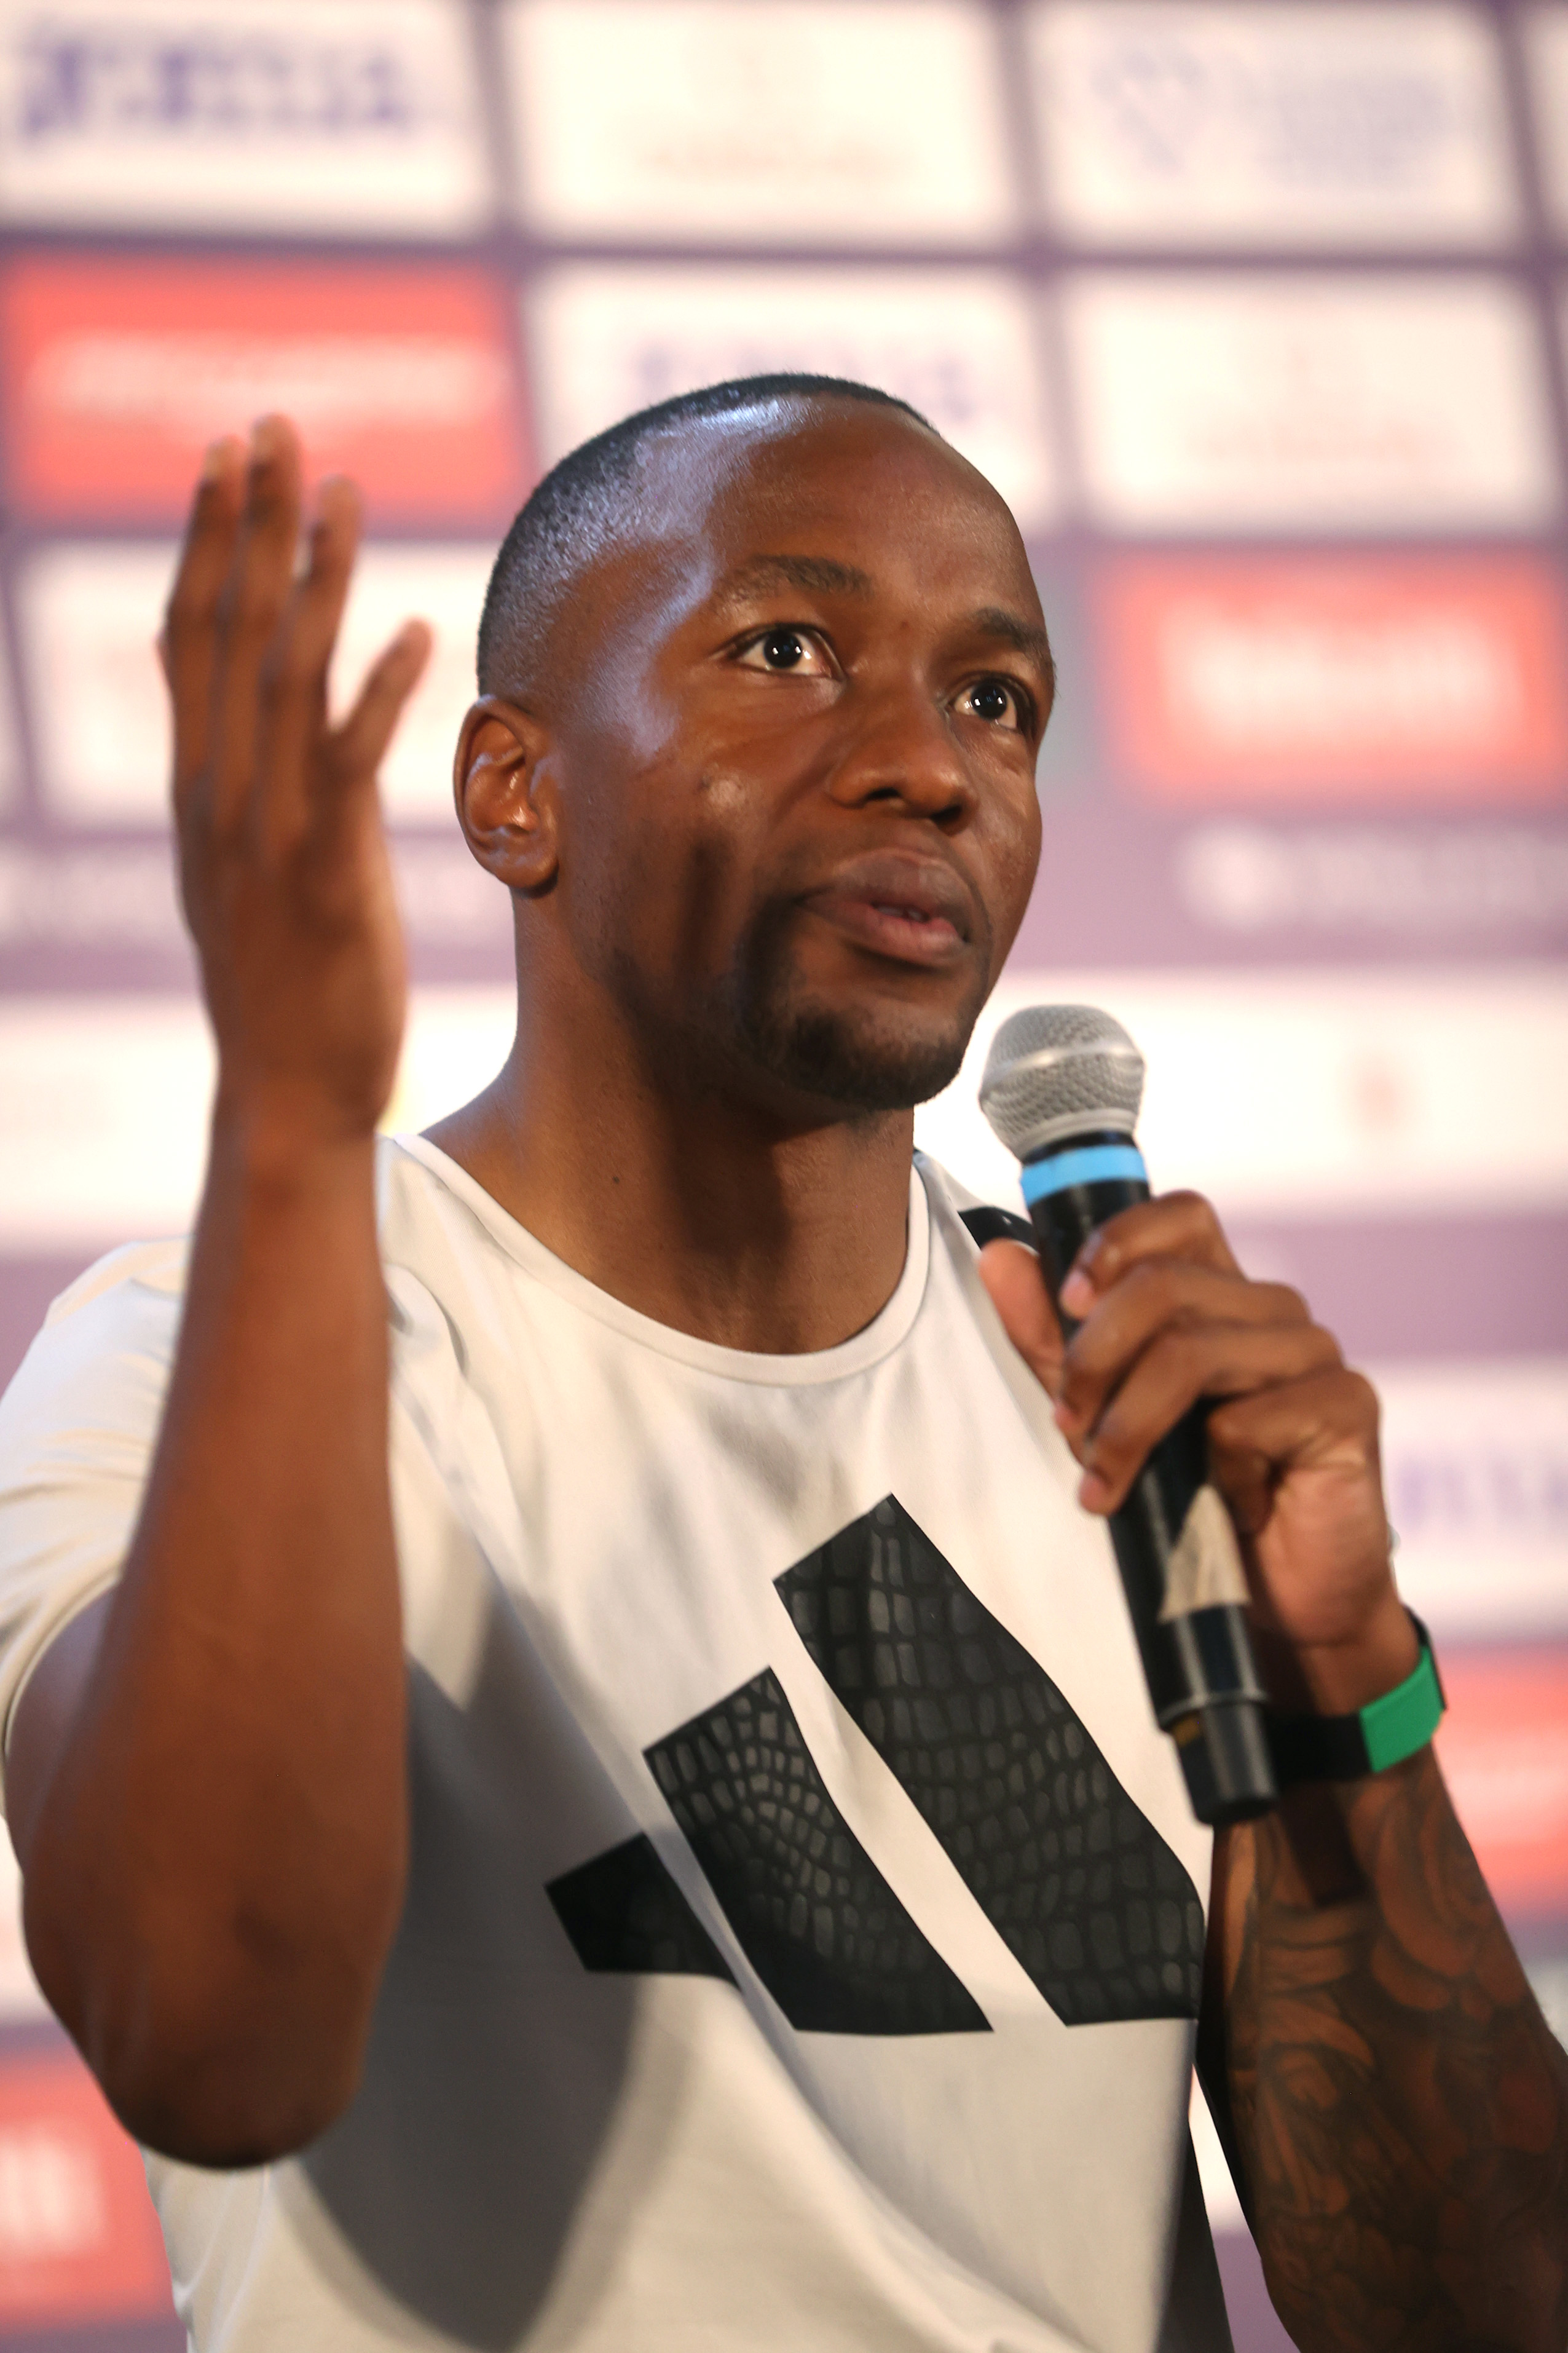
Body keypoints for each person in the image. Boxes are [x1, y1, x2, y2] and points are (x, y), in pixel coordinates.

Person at [0, 378, 1561, 2353]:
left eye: (996, 698)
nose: (931, 764)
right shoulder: (191, 1362)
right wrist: (293, 1139)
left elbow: (1487, 2312)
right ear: (513, 790)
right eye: (789, 651)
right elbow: (216, 2042)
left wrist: (1348, 1690)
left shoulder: (1126, 1407)